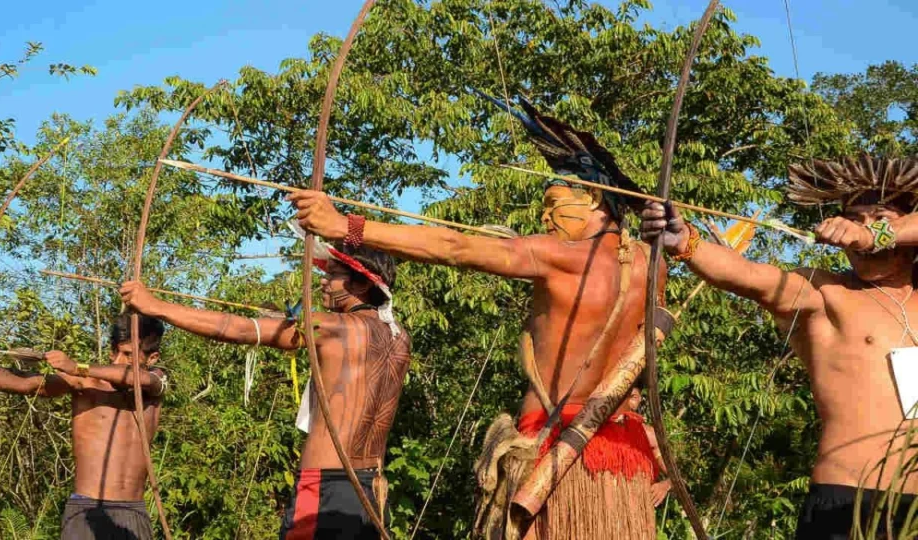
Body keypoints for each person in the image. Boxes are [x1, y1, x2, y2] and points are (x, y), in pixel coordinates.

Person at [289, 96, 670, 539]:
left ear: (594, 200)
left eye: (554, 202)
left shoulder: (554, 256)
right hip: (624, 457)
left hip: (555, 448)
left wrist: (346, 227)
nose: (545, 218)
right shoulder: (651, 262)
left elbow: (454, 247)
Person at [640, 154, 918, 539]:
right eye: (853, 220)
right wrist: (683, 240)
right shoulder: (826, 293)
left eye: (880, 217)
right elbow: (750, 276)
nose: (861, 230)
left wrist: (876, 236)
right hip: (849, 498)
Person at [120, 241, 410, 540]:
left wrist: (156, 306)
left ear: (361, 283)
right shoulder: (400, 338)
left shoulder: (332, 326)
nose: (323, 280)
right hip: (372, 489)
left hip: (326, 486)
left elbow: (243, 329)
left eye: (333, 274)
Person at [0, 313, 168, 540]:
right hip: (86, 510)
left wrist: (76, 366)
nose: (117, 360)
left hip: (132, 512)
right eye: (115, 351)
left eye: (127, 354)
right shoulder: (85, 383)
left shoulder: (156, 382)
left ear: (153, 357)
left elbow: (142, 380)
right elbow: (25, 383)